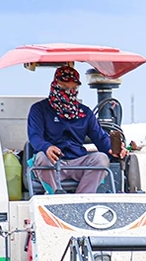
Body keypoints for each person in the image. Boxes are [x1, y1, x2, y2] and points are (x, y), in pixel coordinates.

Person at [27, 65, 127, 193]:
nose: (69, 92)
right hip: (53, 163)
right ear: (55, 85)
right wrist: (47, 147)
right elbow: (34, 137)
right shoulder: (39, 109)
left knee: (101, 159)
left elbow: (100, 137)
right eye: (63, 88)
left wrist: (113, 148)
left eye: (73, 88)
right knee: (41, 157)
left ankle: (82, 198)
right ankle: (55, 195)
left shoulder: (85, 113)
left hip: (78, 163)